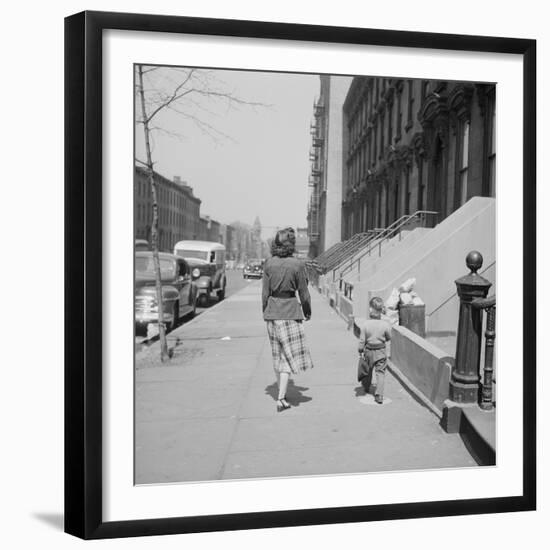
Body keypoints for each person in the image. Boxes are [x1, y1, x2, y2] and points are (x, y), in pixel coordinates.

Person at [262, 227, 314, 412]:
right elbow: (304, 293)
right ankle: (281, 399)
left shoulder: (269, 263)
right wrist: (307, 311)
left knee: (277, 356)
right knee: (286, 358)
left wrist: (265, 311)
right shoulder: (297, 265)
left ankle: (280, 392)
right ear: (291, 244)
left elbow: (265, 293)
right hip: (290, 312)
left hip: (272, 312)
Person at [357, 296, 392, 404]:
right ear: (381, 311)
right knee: (380, 373)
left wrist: (360, 350)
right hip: (381, 351)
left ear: (370, 310)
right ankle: (379, 395)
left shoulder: (365, 325)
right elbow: (389, 337)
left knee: (368, 371)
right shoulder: (385, 325)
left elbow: (362, 340)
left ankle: (366, 387)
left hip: (368, 351)